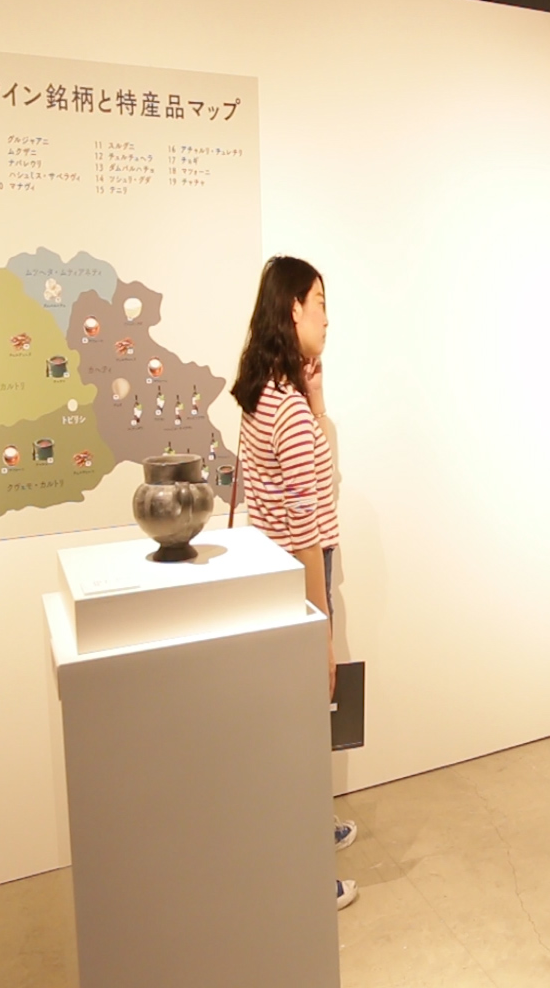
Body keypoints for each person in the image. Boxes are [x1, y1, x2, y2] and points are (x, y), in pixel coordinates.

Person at [232, 256, 357, 912]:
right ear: (293, 311)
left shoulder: (265, 395)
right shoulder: (288, 412)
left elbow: (304, 481)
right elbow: (309, 527)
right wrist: (323, 631)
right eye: (320, 302)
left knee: (295, 722)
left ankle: (311, 832)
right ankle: (309, 877)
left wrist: (316, 396)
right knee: (304, 724)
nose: (328, 319)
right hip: (301, 571)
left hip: (273, 569)